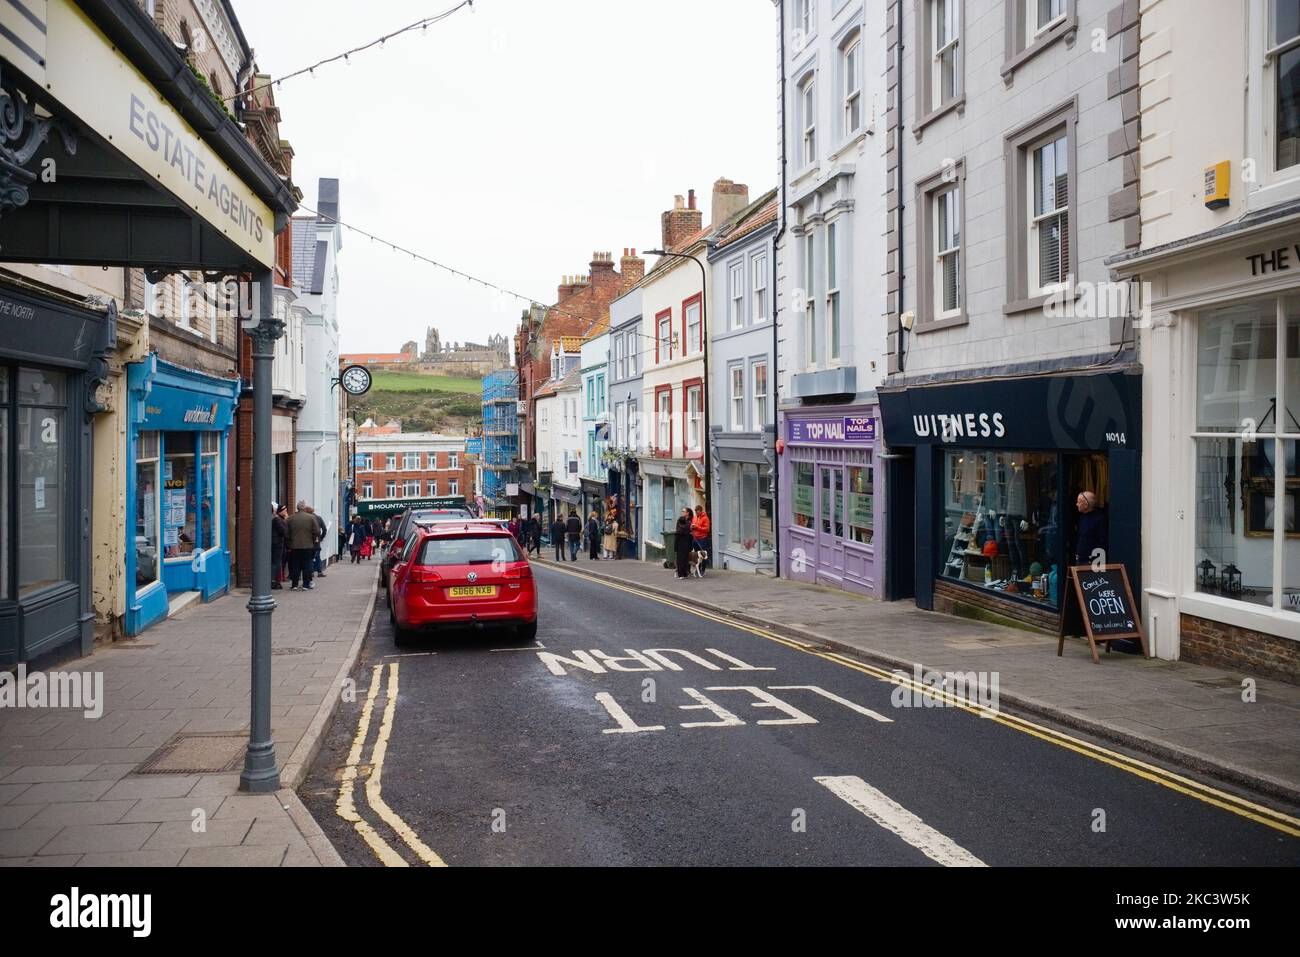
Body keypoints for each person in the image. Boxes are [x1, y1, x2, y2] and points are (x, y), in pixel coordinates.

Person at [287, 500, 320, 590]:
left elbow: (286, 533)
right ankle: (305, 584)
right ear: (304, 508)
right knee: (306, 565)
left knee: (295, 565)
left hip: (294, 546)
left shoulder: (290, 518)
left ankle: (294, 584)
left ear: (297, 508)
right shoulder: (311, 518)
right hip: (308, 545)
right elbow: (317, 531)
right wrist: (312, 540)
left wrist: (289, 542)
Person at [1074, 490, 1107, 567]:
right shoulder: (1082, 517)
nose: (1076, 504)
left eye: (1079, 502)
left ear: (1086, 504)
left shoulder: (1100, 518)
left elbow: (1102, 542)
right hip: (1081, 558)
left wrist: (1096, 561)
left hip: (1093, 561)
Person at [306, 504, 328, 578]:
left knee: (310, 557)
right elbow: (324, 529)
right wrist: (321, 537)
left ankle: (311, 572)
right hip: (316, 540)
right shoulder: (319, 518)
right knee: (317, 556)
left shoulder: (307, 518)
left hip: (308, 540)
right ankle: (319, 572)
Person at [271, 503, 288, 590]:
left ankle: (274, 580)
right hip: (277, 544)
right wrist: (286, 521)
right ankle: (273, 580)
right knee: (276, 563)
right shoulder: (277, 520)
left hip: (277, 543)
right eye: (285, 511)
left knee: (277, 563)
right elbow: (284, 531)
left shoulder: (277, 519)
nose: (286, 512)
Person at [674, 508, 694, 580]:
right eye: (682, 511)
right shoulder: (681, 520)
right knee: (681, 558)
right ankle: (681, 574)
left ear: (687, 513)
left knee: (684, 558)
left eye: (683, 511)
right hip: (681, 541)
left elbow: (682, 530)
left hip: (686, 541)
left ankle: (684, 574)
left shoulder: (690, 520)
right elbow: (680, 530)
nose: (682, 512)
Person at [691, 505, 712, 572]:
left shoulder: (705, 518)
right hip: (695, 538)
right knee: (697, 554)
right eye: (696, 512)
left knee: (703, 554)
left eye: (698, 512)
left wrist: (697, 527)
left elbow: (707, 529)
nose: (696, 513)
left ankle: (703, 569)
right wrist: (691, 527)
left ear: (701, 511)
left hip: (702, 538)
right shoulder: (694, 518)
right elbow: (692, 525)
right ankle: (698, 568)